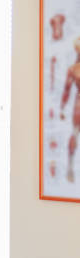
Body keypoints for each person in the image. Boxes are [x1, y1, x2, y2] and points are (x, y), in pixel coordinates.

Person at [60, 37, 80, 182]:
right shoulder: (73, 69)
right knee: (74, 134)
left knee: (74, 134)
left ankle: (70, 168)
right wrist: (61, 108)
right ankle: (70, 168)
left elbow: (67, 90)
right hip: (78, 106)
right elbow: (66, 90)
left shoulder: (73, 69)